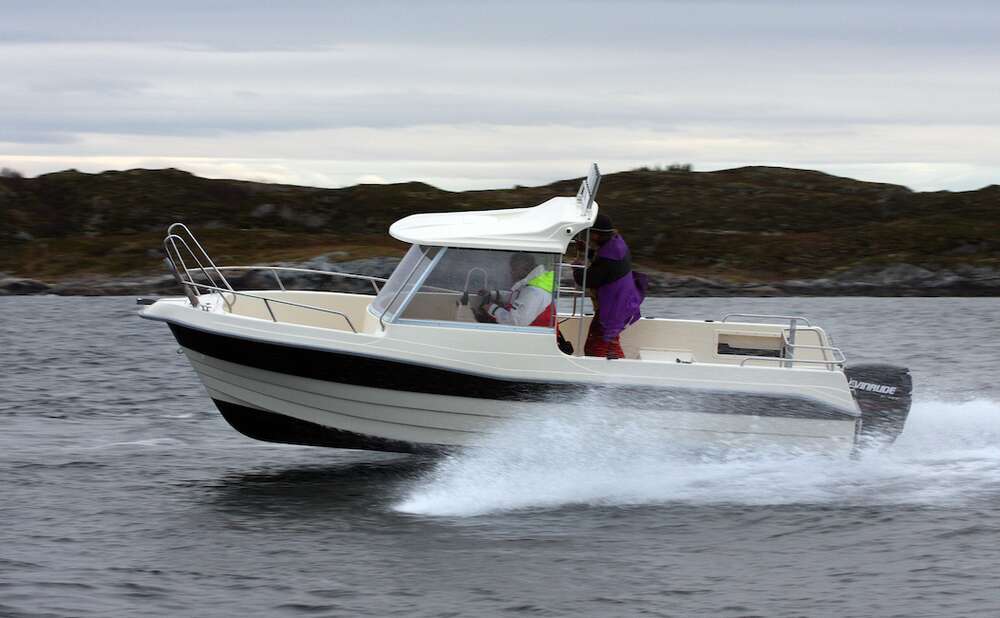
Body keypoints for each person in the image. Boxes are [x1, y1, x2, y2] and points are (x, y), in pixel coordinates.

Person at [573, 213, 646, 359]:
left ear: (597, 235)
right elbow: (604, 266)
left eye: (591, 233)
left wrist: (577, 268)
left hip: (613, 308)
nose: (589, 236)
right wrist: (588, 252)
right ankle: (621, 369)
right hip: (623, 303)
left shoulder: (609, 258)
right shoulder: (616, 244)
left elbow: (588, 279)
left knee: (594, 345)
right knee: (610, 342)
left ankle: (600, 373)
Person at [475, 253, 555, 327]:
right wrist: (494, 294)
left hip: (531, 336)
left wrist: (491, 308)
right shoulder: (533, 282)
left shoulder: (534, 292)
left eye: (514, 269)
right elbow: (517, 297)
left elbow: (515, 323)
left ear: (526, 269)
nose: (511, 272)